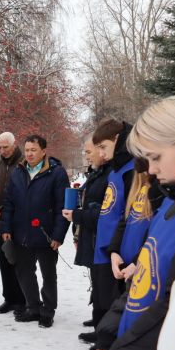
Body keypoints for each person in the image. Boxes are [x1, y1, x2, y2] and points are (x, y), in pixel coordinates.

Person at [95, 96, 175, 350]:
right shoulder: (173, 202)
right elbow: (144, 282)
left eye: (156, 156)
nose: (149, 169)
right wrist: (107, 337)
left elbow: (172, 312)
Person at [0, 134, 70, 328]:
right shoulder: (18, 172)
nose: (29, 154)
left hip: (45, 234)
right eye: (27, 150)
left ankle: (48, 310)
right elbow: (9, 202)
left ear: (44, 151)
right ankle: (33, 307)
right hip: (21, 232)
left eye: (34, 150)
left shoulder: (57, 173)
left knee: (48, 274)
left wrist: (58, 235)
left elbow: (61, 206)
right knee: (24, 271)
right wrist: (6, 227)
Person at [91, 119, 135, 333]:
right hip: (104, 246)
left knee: (113, 302)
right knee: (101, 297)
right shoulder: (115, 170)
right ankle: (101, 341)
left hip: (118, 250)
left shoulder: (132, 170)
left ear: (117, 140)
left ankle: (108, 349)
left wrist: (116, 248)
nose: (100, 153)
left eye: (103, 147)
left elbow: (130, 214)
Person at [62, 138, 110, 331]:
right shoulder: (96, 173)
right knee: (95, 280)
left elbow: (104, 212)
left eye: (89, 152)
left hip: (100, 236)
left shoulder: (110, 174)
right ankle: (98, 319)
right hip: (90, 234)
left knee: (104, 284)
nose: (87, 156)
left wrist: (77, 215)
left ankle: (103, 326)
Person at [0, 132, 25, 314]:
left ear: (14, 144)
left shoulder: (24, 163)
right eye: (0, 147)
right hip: (1, 223)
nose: (3, 151)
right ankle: (9, 298)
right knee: (5, 260)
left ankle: (24, 300)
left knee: (21, 262)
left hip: (21, 222)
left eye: (6, 147)